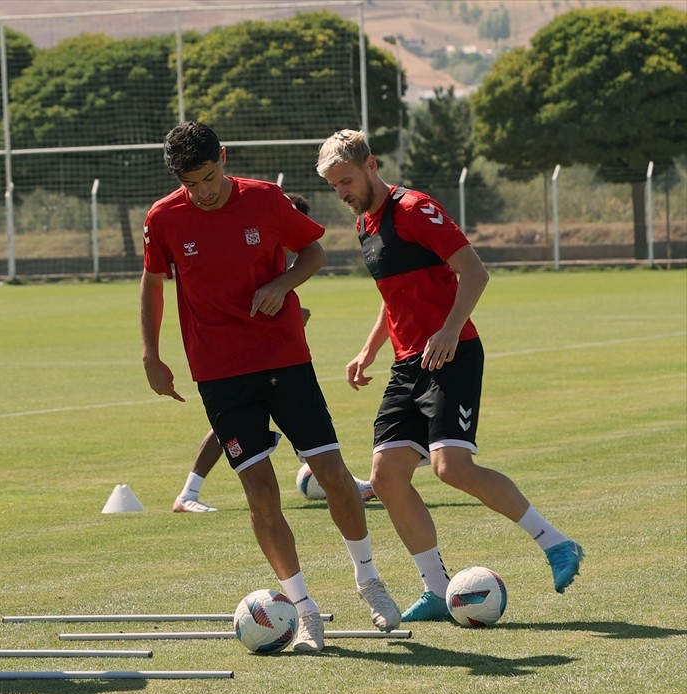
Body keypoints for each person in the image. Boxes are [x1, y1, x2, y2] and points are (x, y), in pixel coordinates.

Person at [141, 121, 401, 652]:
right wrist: (151, 354)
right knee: (260, 493)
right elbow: (152, 283)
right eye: (191, 184)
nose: (203, 191)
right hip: (219, 374)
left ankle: (369, 579)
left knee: (332, 473)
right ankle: (304, 611)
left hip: (284, 359)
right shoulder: (162, 218)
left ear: (224, 157)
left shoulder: (264, 199)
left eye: (209, 177)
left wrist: (282, 284)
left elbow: (314, 253)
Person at [315, 129, 584, 622]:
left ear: (371, 165)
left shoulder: (415, 208)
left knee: (451, 467)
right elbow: (394, 297)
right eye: (335, 186)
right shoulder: (365, 225)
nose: (342, 193)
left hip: (452, 354)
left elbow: (475, 272)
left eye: (346, 181)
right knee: (386, 477)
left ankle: (557, 543)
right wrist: (369, 350)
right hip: (408, 365)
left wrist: (449, 330)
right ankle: (437, 590)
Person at [171, 193, 375, 512]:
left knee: (256, 419)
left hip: (264, 350)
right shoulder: (250, 236)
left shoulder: (277, 246)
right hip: (236, 353)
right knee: (273, 418)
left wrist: (288, 310)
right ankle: (188, 493)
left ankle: (189, 492)